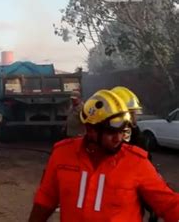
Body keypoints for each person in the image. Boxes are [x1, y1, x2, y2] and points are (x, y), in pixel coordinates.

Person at [28, 90, 179, 222]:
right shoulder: (62, 154)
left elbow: (169, 204)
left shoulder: (136, 162)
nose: (118, 138)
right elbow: (46, 199)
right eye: (111, 133)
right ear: (91, 129)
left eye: (122, 132)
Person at [111, 86, 157, 222]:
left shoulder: (137, 136)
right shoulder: (111, 144)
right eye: (130, 114)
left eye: (134, 114)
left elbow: (145, 176)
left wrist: (152, 205)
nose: (134, 119)